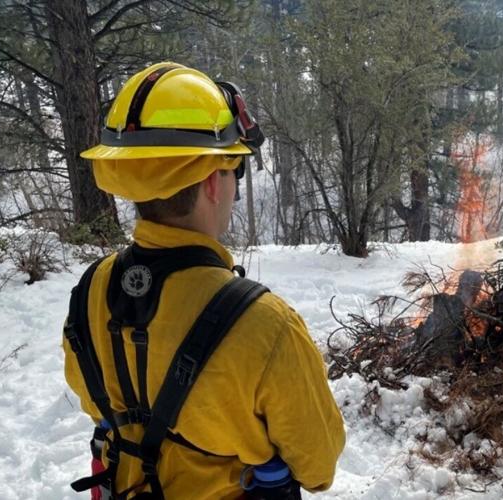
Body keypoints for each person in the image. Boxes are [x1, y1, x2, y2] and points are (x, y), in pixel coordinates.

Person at [62, 62, 346, 500]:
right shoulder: (266, 326)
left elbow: (90, 395)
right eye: (234, 171)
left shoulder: (91, 290)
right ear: (215, 181)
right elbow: (319, 464)